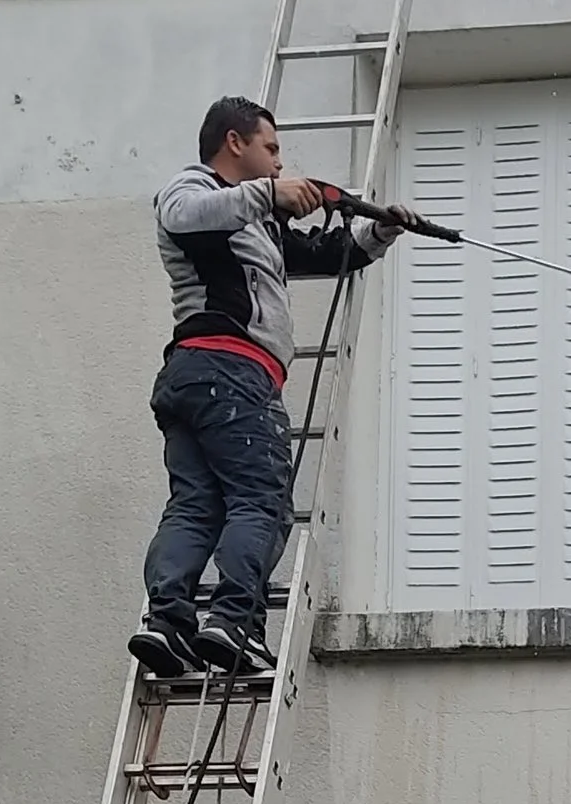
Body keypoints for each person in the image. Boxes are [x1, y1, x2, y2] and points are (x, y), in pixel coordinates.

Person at [132, 96, 415, 680]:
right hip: (232, 376)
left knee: (195, 505)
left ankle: (169, 626)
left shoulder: (250, 221)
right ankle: (234, 622)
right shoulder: (193, 190)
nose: (280, 164)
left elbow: (321, 253)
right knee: (261, 501)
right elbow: (180, 213)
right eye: (272, 148)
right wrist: (270, 195)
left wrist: (378, 233)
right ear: (235, 142)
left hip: (194, 380)